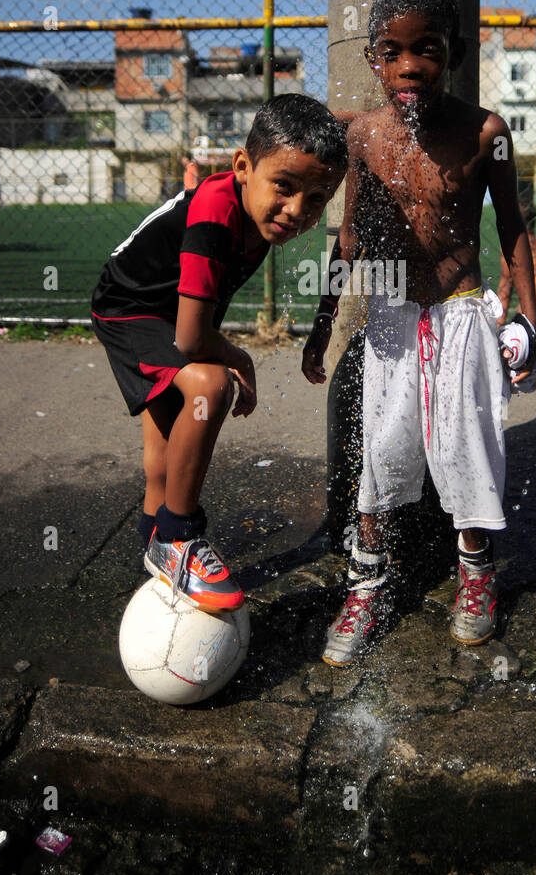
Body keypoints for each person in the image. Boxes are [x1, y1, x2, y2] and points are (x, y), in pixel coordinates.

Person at [302, 0, 536, 665]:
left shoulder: (484, 134)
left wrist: (527, 320)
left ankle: (476, 576)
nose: (411, 65)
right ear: (373, 59)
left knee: (465, 448)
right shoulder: (362, 137)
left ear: (456, 53)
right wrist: (322, 323)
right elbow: (349, 238)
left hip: (459, 314)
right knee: (381, 452)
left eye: (428, 50)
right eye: (393, 50)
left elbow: (511, 231)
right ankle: (366, 583)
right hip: (390, 316)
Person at [92, 93, 347, 612]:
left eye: (317, 198)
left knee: (164, 448)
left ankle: (155, 562)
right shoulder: (216, 214)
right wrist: (240, 358)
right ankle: (178, 538)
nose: (297, 210)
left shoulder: (248, 210)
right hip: (132, 309)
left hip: (165, 309)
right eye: (285, 186)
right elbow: (190, 339)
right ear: (243, 166)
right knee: (209, 385)